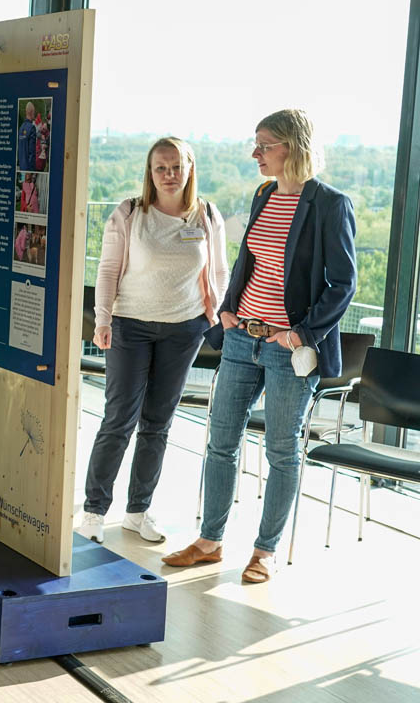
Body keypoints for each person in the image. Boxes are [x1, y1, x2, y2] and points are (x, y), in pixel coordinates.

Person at [164, 109, 356, 584]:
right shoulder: (264, 194)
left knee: (281, 450)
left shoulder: (330, 204)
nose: (255, 154)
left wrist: (302, 334)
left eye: (264, 144)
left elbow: (343, 283)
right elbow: (248, 258)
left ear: (291, 146)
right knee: (221, 442)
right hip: (240, 339)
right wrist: (228, 309)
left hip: (286, 347)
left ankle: (264, 551)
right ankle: (210, 542)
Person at [78, 137, 228, 546]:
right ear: (150, 171)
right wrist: (103, 319)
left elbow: (219, 272)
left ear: (190, 168)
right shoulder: (130, 213)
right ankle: (93, 511)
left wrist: (211, 315)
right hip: (130, 326)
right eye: (160, 168)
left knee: (157, 425)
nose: (169, 175)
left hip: (184, 329)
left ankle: (137, 511)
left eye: (176, 166)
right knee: (118, 419)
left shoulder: (207, 215)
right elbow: (108, 269)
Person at [17, 101, 37, 172]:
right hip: (28, 168)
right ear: (32, 112)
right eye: (34, 112)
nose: (34, 114)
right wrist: (32, 169)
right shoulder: (32, 128)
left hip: (21, 166)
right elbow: (32, 151)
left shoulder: (21, 128)